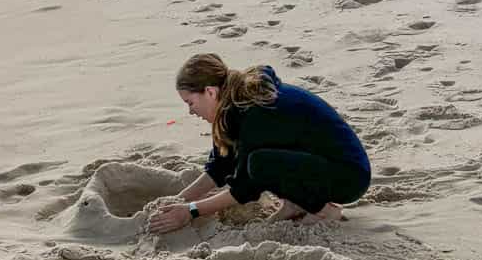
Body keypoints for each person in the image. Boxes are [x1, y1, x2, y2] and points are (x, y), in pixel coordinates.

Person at [146, 53, 370, 237]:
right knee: (259, 161)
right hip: (318, 163)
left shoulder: (253, 112)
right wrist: (178, 201)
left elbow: (244, 189)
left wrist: (190, 211)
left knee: (259, 164)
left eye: (190, 103)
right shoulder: (233, 105)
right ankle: (295, 204)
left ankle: (324, 210)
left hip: (348, 176)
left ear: (210, 92)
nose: (191, 111)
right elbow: (220, 167)